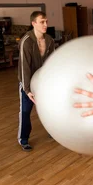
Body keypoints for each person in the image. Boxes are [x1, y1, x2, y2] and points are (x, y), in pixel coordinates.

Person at [17, 11, 55, 151]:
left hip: (44, 82)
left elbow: (52, 62)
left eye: (46, 21)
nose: (45, 25)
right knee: (26, 111)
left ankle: (53, 130)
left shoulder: (49, 40)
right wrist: (27, 90)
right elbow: (23, 67)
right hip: (28, 83)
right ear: (33, 23)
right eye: (42, 22)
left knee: (49, 109)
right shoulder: (26, 41)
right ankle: (23, 139)